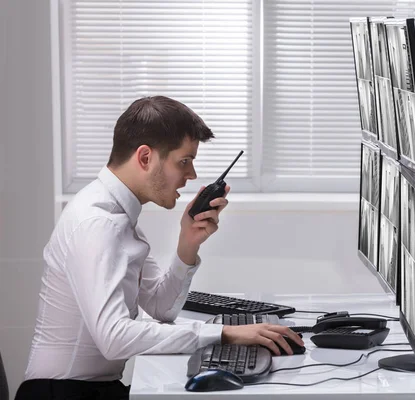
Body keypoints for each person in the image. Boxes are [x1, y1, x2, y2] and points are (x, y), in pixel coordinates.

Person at [15, 96, 303, 400]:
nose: (191, 175)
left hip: (90, 389)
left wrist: (187, 243)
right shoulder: (97, 223)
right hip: (62, 393)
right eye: (184, 161)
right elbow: (114, 338)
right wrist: (224, 333)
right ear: (145, 158)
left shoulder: (121, 218)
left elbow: (161, 308)